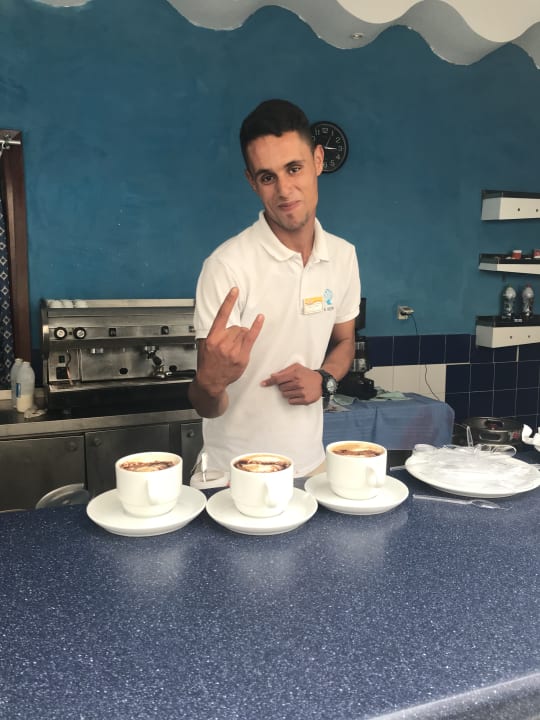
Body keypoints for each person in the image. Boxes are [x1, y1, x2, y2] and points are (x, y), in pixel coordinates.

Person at [188, 99, 360, 477]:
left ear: (318, 160)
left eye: (294, 168)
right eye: (267, 177)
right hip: (233, 475)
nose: (284, 190)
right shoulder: (226, 267)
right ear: (252, 182)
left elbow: (345, 341)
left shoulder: (343, 256)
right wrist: (210, 383)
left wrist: (324, 379)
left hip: (310, 467)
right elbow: (206, 405)